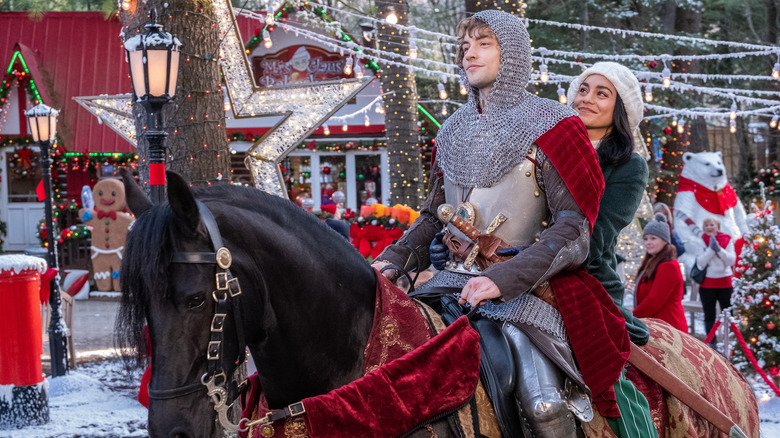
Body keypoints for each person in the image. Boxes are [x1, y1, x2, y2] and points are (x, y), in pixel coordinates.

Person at [373, 11, 629, 437]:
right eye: (464, 45)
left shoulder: (556, 125)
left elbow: (574, 229)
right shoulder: (452, 129)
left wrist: (506, 277)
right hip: (449, 282)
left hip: (528, 290)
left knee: (545, 405)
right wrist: (392, 259)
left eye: (483, 42)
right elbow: (433, 215)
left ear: (512, 53)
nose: (469, 52)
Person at [566, 62, 657, 438]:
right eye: (583, 89)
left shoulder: (628, 166)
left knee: (602, 372)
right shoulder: (544, 148)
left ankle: (636, 430)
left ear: (620, 109)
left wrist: (530, 258)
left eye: (602, 93)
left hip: (585, 279)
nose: (586, 98)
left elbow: (595, 237)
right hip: (509, 268)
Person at [633, 214, 688, 332]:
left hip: (668, 329)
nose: (648, 242)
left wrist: (631, 318)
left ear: (665, 241)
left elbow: (654, 301)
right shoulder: (652, 262)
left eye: (653, 238)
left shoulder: (668, 266)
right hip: (656, 327)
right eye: (646, 238)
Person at [696, 216, 736, 337]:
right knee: (709, 315)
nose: (709, 227)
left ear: (718, 227)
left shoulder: (727, 240)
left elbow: (731, 260)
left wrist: (718, 249)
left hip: (725, 284)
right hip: (707, 285)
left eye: (712, 225)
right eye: (706, 225)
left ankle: (729, 341)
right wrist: (711, 249)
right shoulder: (700, 241)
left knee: (729, 314)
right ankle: (711, 342)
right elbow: (700, 263)